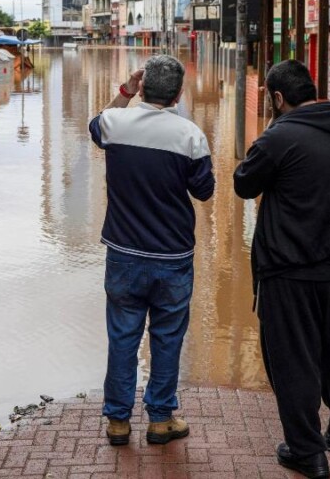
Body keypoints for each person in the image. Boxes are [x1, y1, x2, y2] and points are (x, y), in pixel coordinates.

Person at [233, 60, 330, 479]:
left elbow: (244, 184)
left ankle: (306, 451)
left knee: (294, 363)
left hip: (290, 272)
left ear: (278, 98)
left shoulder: (280, 137)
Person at [88, 54, 215, 447]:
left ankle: (118, 422)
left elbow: (96, 128)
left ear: (141, 87)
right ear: (178, 94)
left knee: (123, 336)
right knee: (167, 337)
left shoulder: (116, 122)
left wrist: (124, 92)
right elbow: (204, 191)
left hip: (123, 254)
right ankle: (161, 419)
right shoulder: (190, 136)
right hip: (173, 258)